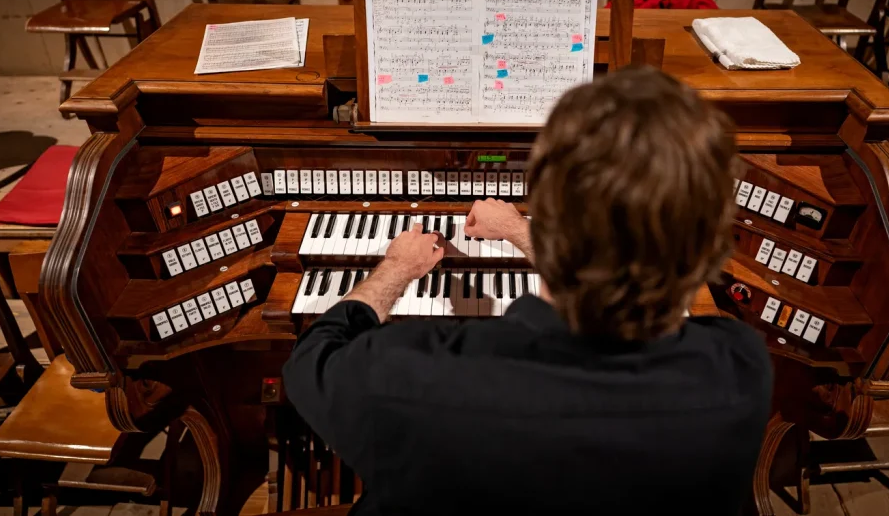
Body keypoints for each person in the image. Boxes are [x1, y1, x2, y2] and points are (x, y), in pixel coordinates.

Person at [283, 67, 773, 515]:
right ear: (708, 246)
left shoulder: (415, 378)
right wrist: (522, 232)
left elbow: (310, 363)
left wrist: (393, 270)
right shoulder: (739, 371)